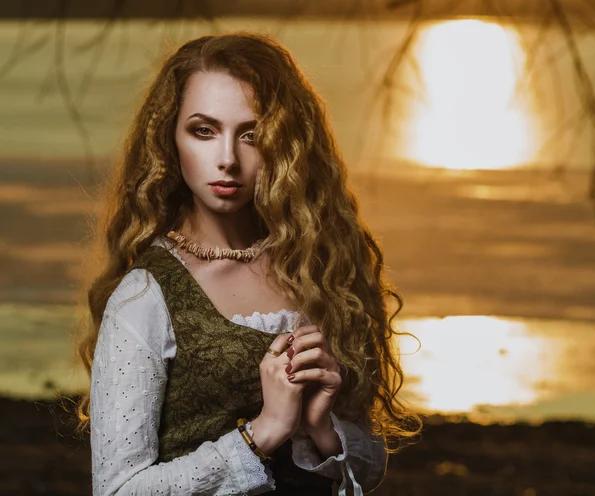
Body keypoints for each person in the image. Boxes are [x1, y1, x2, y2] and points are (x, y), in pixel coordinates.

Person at [76, 32, 421, 495]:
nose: (227, 159)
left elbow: (367, 468)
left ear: (285, 144)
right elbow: (117, 490)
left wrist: (321, 428)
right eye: (203, 130)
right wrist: (261, 433)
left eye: (252, 135)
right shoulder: (143, 298)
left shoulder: (320, 272)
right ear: (169, 139)